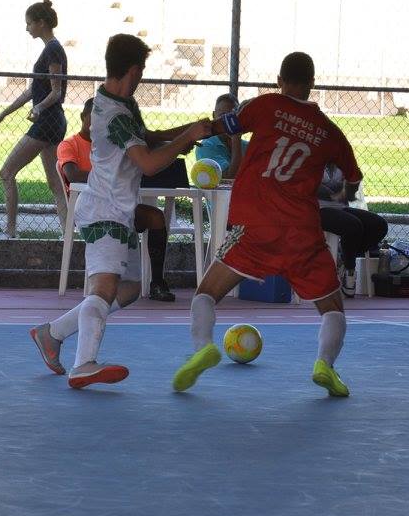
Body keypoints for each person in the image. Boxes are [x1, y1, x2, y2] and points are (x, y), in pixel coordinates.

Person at [173, 52, 362, 398]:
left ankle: (203, 348)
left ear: (279, 80)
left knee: (206, 294)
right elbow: (353, 178)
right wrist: (342, 195)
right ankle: (325, 365)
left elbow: (220, 126)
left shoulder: (266, 105)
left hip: (255, 227)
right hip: (302, 233)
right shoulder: (329, 131)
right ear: (312, 83)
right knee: (333, 309)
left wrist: (186, 134)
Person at [29, 34, 211, 388]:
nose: (142, 76)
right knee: (103, 288)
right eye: (141, 70)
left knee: (128, 289)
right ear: (134, 70)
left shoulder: (118, 102)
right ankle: (84, 363)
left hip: (118, 210)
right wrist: (184, 140)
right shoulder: (115, 114)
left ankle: (52, 334)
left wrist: (189, 131)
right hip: (105, 212)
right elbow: (149, 163)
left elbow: (147, 137)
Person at [57, 97, 177, 302]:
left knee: (155, 218)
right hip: (96, 212)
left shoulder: (118, 141)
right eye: (93, 118)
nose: (97, 124)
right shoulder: (70, 144)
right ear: (83, 117)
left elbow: (150, 147)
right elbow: (73, 174)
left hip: (121, 207)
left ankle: (157, 282)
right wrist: (108, 175)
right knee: (105, 292)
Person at [0, 0, 69, 238]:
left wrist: (39, 108)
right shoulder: (51, 49)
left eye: (29, 23)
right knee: (55, 184)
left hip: (48, 122)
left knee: (7, 172)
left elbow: (56, 91)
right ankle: (68, 237)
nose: (27, 28)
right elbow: (32, 90)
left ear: (41, 23)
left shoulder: (52, 50)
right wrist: (2, 114)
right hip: (53, 122)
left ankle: (10, 231)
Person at [318, 163, 388, 297]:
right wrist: (336, 192)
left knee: (379, 225)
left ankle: (344, 260)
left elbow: (351, 188)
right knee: (353, 226)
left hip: (340, 207)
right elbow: (311, 186)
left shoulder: (341, 161)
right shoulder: (309, 159)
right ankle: (350, 269)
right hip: (317, 209)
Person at [194, 93, 246, 178]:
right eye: (223, 116)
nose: (228, 120)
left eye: (233, 116)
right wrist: (236, 137)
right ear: (214, 115)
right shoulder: (206, 146)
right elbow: (229, 178)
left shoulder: (247, 145)